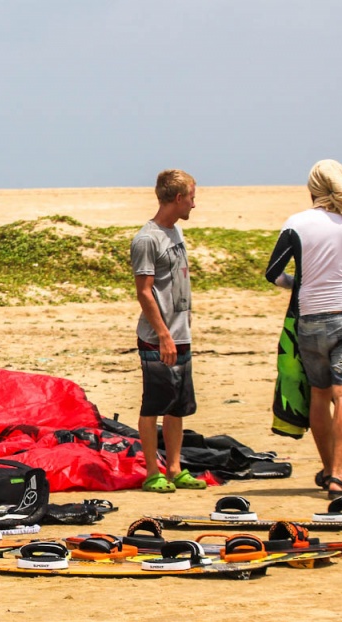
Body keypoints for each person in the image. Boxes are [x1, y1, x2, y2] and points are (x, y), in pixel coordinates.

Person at [264, 159, 342, 499]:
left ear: (312, 190)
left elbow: (273, 273)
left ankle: (327, 468)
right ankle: (338, 476)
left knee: (319, 394)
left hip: (308, 318)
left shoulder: (295, 224)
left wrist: (301, 283)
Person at [131, 169, 207, 493]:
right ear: (177, 198)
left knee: (177, 405)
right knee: (154, 404)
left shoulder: (176, 232)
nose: (194, 203)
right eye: (191, 197)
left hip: (181, 334)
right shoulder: (147, 239)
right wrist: (162, 333)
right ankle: (153, 471)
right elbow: (144, 291)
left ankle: (175, 468)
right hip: (157, 337)